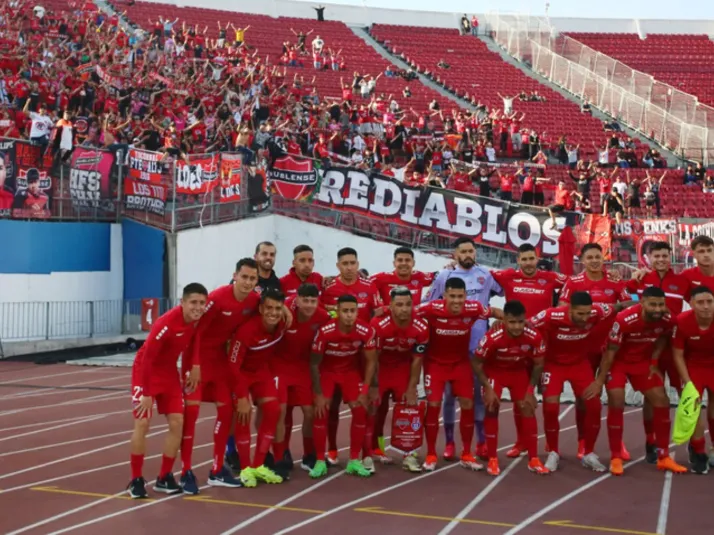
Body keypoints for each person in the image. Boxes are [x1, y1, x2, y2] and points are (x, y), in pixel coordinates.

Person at [179, 259, 262, 494]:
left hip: (220, 362)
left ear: (256, 281)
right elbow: (196, 331)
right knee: (191, 415)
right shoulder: (217, 298)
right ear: (235, 276)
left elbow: (269, 308)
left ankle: (217, 469)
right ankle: (186, 471)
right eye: (244, 277)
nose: (247, 282)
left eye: (252, 279)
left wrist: (285, 309)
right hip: (196, 359)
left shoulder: (255, 300)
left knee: (227, 412)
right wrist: (193, 365)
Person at [590, 288, 686, 475]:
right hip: (618, 362)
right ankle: (616, 456)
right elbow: (610, 352)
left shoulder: (668, 319)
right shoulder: (624, 319)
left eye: (661, 304)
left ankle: (663, 456)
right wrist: (600, 380)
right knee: (616, 401)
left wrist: (653, 361)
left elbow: (664, 339)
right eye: (653, 304)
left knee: (662, 400)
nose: (658, 308)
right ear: (642, 303)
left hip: (642, 362)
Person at [425, 237, 503, 461]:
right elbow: (427, 302)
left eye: (471, 251)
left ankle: (480, 442)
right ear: (455, 255)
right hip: (450, 347)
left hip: (478, 347)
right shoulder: (444, 276)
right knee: (449, 397)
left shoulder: (485, 275)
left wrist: (502, 318)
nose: (468, 255)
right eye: (464, 252)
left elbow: (502, 293)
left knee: (477, 397)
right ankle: (449, 443)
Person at [529, 292, 625, 473]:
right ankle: (553, 452)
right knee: (550, 407)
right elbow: (525, 324)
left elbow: (620, 306)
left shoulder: (598, 311)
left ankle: (589, 452)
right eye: (580, 314)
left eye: (587, 313)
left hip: (580, 364)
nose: (585, 318)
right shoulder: (551, 315)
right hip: (553, 365)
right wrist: (500, 322)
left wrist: (640, 303)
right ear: (569, 308)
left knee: (594, 405)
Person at [128, 283, 208, 499]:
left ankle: (164, 477)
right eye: (193, 302)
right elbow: (147, 358)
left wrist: (195, 366)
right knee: (143, 422)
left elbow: (195, 340)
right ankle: (136, 479)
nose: (198, 307)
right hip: (146, 372)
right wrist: (146, 392)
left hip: (169, 373)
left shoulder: (197, 320)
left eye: (202, 303)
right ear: (182, 303)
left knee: (177, 423)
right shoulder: (165, 323)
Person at [490, 243, 567, 457]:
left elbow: (575, 282)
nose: (528, 263)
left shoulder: (551, 278)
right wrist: (451, 266)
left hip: (545, 346)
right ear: (518, 261)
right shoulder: (507, 276)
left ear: (537, 258)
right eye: (524, 259)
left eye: (531, 258)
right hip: (517, 346)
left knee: (550, 399)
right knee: (520, 397)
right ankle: (522, 441)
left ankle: (551, 445)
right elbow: (479, 274)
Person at [559, 243, 631, 461]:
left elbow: (628, 303)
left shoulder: (615, 280)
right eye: (589, 257)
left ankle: (617, 442)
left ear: (604, 258)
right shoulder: (574, 282)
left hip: (611, 346)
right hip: (583, 347)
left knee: (615, 395)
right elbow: (562, 307)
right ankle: (583, 440)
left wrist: (616, 311)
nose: (594, 261)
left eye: (597, 257)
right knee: (585, 397)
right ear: (583, 261)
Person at [320, 247, 384, 468]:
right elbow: (321, 316)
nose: (349, 267)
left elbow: (378, 313)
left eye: (353, 263)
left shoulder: (369, 286)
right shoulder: (328, 287)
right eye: (345, 263)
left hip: (362, 355)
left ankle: (365, 453)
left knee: (365, 405)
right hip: (334, 356)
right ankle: (332, 449)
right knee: (331, 406)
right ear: (338, 265)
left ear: (358, 264)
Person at [626, 241, 689, 463]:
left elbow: (699, 304)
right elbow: (621, 293)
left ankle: (693, 441)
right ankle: (651, 441)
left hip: (673, 348)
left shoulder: (682, 281)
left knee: (685, 396)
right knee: (652, 397)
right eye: (657, 256)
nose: (661, 259)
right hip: (648, 349)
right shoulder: (643, 279)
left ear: (670, 257)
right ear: (649, 258)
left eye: (665, 255)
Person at [473, 300, 550, 476]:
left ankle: (534, 459)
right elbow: (476, 363)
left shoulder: (534, 336)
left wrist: (531, 390)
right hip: (495, 373)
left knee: (528, 408)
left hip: (518, 372)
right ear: (504, 320)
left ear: (525, 320)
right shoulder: (492, 338)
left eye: (520, 322)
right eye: (512, 322)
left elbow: (538, 364)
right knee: (491, 408)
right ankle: (492, 459)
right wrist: (488, 387)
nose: (517, 327)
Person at [309, 294, 378, 479]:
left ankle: (354, 460)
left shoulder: (366, 330)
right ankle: (319, 461)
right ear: (337, 311)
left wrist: (365, 390)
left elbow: (371, 361)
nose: (349, 315)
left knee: (360, 409)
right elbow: (314, 363)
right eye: (345, 311)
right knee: (321, 410)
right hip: (328, 373)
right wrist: (318, 394)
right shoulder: (325, 331)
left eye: (353, 311)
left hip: (350, 373)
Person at [228, 288, 287, 487]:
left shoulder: (283, 323)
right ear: (261, 308)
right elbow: (233, 365)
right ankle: (245, 468)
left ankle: (259, 464)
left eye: (278, 308)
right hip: (241, 373)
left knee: (273, 410)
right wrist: (242, 396)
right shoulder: (247, 331)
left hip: (261, 372)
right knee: (243, 413)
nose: (273, 312)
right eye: (269, 308)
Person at [272, 283, 331, 471]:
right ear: (296, 299)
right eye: (305, 300)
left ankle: (309, 454)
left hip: (304, 368)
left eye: (313, 301)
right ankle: (280, 456)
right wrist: (282, 307)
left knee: (310, 412)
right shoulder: (283, 311)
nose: (309, 305)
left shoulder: (323, 317)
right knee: (281, 411)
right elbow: (264, 303)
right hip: (279, 367)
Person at [370, 286, 429, 471]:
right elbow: (372, 358)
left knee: (409, 408)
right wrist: (372, 385)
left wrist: (412, 388)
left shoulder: (422, 327)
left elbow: (417, 360)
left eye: (408, 305)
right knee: (374, 408)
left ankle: (409, 454)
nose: (404, 309)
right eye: (399, 305)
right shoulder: (378, 324)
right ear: (391, 306)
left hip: (403, 370)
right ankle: (371, 450)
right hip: (381, 369)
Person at [672, 286, 714, 474]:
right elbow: (678, 354)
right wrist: (687, 382)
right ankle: (698, 452)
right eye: (701, 302)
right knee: (694, 408)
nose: (706, 306)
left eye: (710, 302)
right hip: (693, 366)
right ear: (691, 304)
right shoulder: (681, 322)